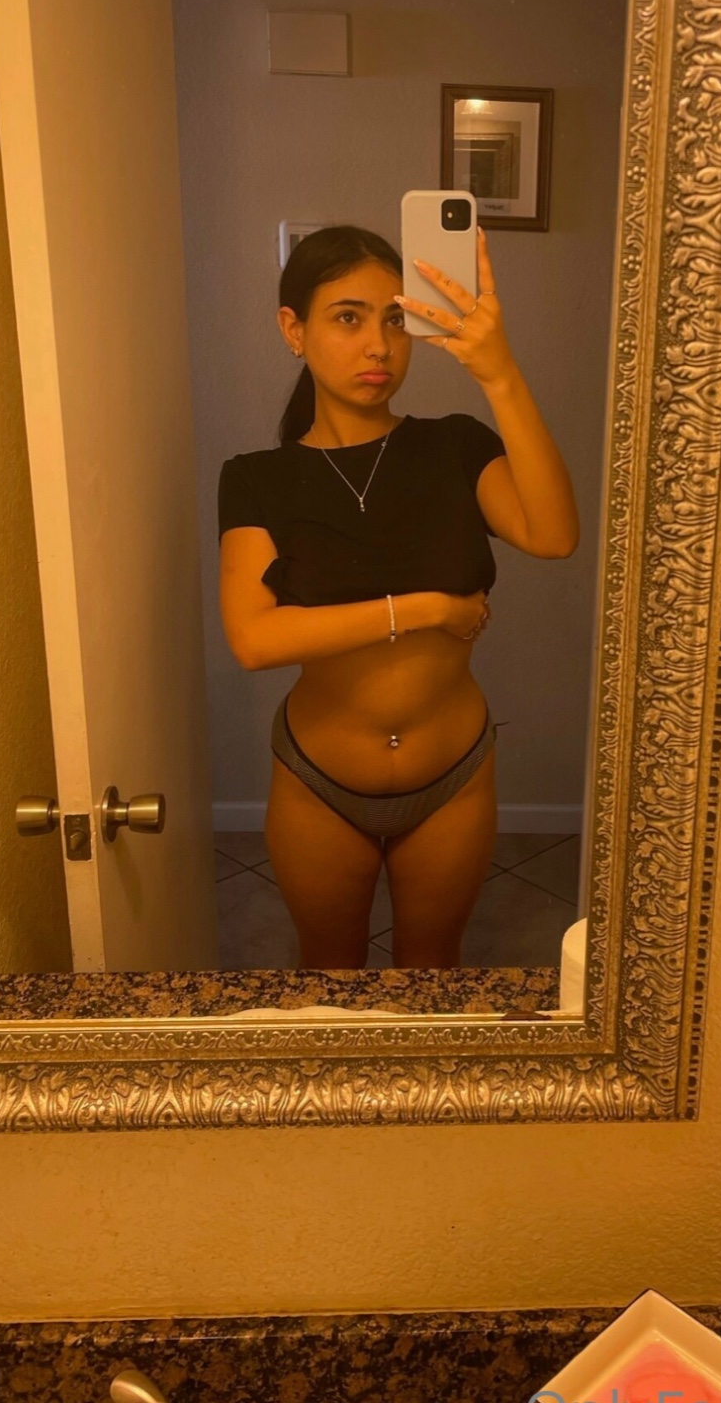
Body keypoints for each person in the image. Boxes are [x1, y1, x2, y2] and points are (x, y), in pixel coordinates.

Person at [217, 224, 579, 969]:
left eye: (395, 320)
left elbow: (553, 535)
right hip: (320, 779)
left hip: (453, 775)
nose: (378, 346)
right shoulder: (257, 478)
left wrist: (499, 374)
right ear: (294, 329)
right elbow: (255, 639)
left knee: (432, 973)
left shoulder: (456, 444)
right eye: (348, 318)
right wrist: (426, 610)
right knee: (331, 976)